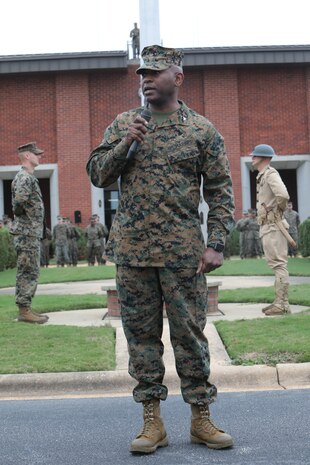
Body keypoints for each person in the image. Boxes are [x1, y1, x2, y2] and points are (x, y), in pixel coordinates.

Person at [86, 45, 235, 453]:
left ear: (177, 77)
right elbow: (98, 174)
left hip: (183, 254)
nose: (146, 79)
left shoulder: (201, 130)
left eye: (154, 73)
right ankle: (152, 422)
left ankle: (201, 418)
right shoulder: (123, 124)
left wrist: (217, 243)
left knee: (190, 335)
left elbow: (221, 191)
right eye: (142, 74)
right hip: (133, 253)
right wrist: (125, 144)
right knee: (141, 338)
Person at [10, 142, 49, 324]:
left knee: (30, 270)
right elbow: (18, 203)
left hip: (30, 233)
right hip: (26, 233)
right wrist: (27, 221)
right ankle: (24, 311)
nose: (39, 156)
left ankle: (26, 308)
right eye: (36, 154)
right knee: (28, 271)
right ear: (27, 156)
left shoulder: (28, 177)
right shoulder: (24, 178)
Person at [251, 144, 291, 316]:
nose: (252, 157)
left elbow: (283, 195)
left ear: (264, 157)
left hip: (274, 225)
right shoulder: (264, 175)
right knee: (276, 264)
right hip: (269, 226)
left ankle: (282, 304)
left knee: (279, 265)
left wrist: (278, 210)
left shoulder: (270, 173)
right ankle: (280, 302)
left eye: (255, 155)